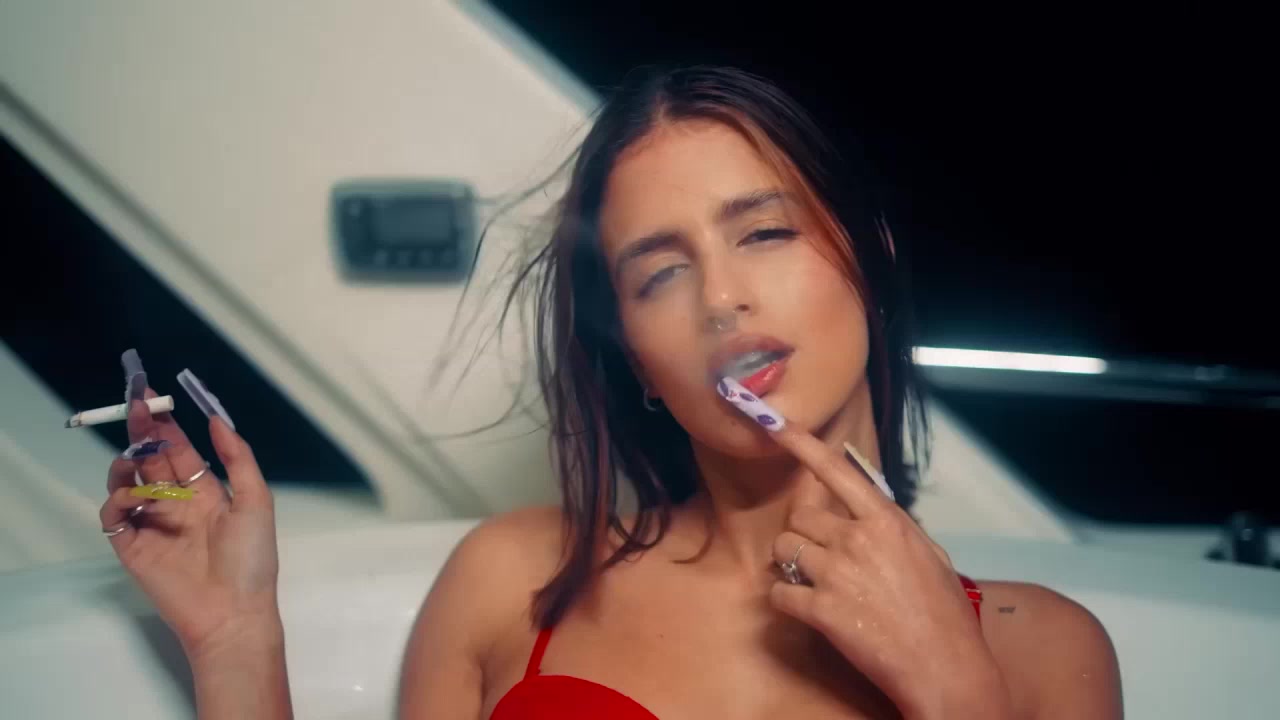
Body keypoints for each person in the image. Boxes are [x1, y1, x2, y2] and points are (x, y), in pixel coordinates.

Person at [98, 66, 1123, 719]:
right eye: (660, 274)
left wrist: (951, 690)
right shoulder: (513, 580)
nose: (720, 297)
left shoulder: (1040, 650)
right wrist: (235, 643)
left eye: (764, 232)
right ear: (636, 359)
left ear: (870, 253)